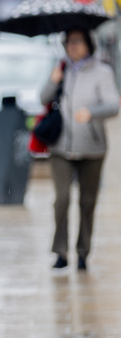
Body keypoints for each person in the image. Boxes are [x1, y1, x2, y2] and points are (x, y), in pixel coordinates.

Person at [40, 28, 119, 270]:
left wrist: (91, 113)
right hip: (61, 145)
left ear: (88, 44)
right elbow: (43, 98)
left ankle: (83, 252)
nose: (72, 46)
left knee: (87, 201)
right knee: (62, 198)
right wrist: (53, 81)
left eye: (77, 41)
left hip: (92, 146)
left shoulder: (102, 72)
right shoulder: (60, 69)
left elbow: (113, 106)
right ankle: (61, 251)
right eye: (68, 42)